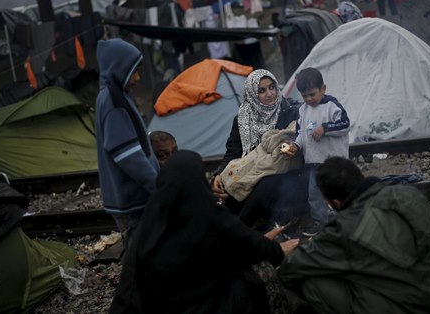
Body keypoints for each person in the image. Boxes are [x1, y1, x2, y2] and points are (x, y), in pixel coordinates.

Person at [278, 157, 430, 314]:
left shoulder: (343, 229)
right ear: (361, 177)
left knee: (314, 283)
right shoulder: (408, 195)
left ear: (335, 202)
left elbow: (290, 270)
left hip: (422, 307)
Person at [110, 150, 300, 314]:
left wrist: (257, 242)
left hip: (156, 307)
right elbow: (246, 243)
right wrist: (276, 250)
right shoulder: (208, 213)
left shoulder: (153, 218)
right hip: (206, 306)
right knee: (261, 272)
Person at [95, 38, 159, 255]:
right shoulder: (113, 102)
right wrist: (157, 186)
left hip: (133, 196)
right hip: (132, 199)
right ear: (118, 69)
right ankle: (135, 288)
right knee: (139, 253)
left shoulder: (117, 95)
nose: (137, 78)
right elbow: (128, 155)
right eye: (133, 72)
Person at [211, 69, 301, 215]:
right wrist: (219, 174)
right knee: (226, 185)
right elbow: (233, 153)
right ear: (252, 94)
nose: (270, 94)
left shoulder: (291, 111)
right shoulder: (242, 119)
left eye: (272, 87)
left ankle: (245, 229)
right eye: (261, 90)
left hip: (283, 172)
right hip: (251, 167)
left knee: (260, 185)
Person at [283, 67, 350, 236]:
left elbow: (345, 124)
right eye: (305, 96)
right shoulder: (302, 110)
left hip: (334, 161)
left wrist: (325, 128)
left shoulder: (331, 105)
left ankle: (347, 219)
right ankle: (322, 223)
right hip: (314, 162)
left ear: (323, 89)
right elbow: (301, 133)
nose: (309, 99)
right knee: (314, 195)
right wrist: (296, 146)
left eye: (312, 94)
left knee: (338, 191)